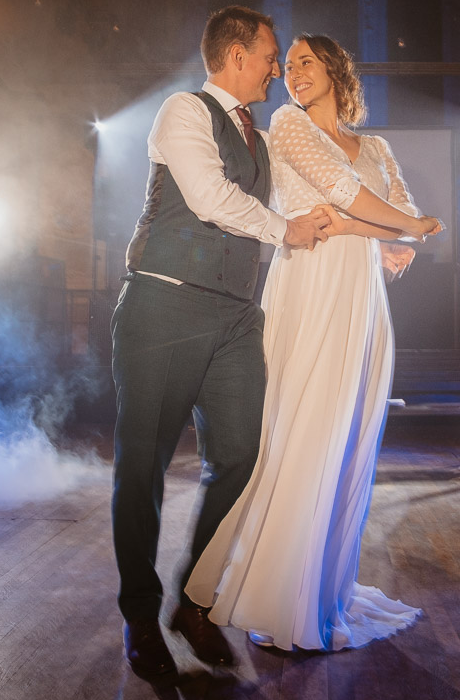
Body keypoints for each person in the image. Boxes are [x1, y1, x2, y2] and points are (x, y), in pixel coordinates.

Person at [185, 32, 443, 652]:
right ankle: (268, 590)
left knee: (347, 437)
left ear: (335, 68)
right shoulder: (289, 124)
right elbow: (347, 195)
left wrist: (388, 228)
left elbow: (399, 216)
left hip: (363, 299)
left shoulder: (376, 146)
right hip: (310, 288)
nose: (292, 73)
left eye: (305, 62)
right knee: (298, 431)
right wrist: (397, 227)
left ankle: (321, 588)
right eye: (286, 63)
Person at [110, 6, 332, 680]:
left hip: (236, 318)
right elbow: (207, 197)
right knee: (142, 467)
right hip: (163, 303)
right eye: (269, 55)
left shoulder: (261, 141)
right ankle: (142, 614)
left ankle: (194, 601)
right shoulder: (182, 111)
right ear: (237, 56)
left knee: (241, 455)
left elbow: (312, 207)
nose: (275, 68)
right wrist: (283, 231)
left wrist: (374, 247)